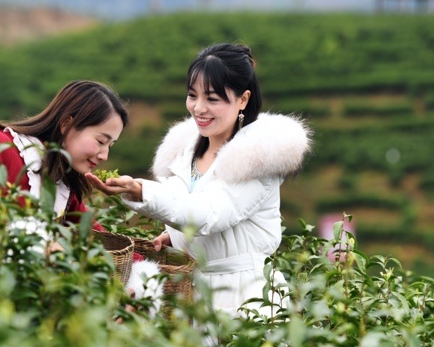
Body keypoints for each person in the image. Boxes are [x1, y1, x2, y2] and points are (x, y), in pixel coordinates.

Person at [86, 43, 311, 317]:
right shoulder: (186, 152)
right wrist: (179, 237)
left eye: (213, 99)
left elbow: (208, 214)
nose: (199, 108)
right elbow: (189, 206)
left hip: (245, 298)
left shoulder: (256, 159)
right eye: (192, 95)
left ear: (243, 99)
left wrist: (140, 190)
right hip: (195, 294)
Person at [0, 79, 148, 271]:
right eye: (101, 141)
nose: (104, 155)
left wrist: (145, 272)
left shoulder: (61, 178)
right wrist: (42, 250)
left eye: (110, 145)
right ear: (66, 124)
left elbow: (95, 238)